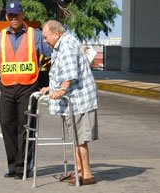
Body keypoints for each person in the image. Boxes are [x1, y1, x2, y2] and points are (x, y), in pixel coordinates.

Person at [0, 0, 52, 180]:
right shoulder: (0, 37)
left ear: (22, 15)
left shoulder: (35, 35)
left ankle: (23, 167)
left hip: (28, 88)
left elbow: (51, 53)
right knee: (7, 126)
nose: (14, 18)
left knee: (25, 128)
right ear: (7, 17)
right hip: (7, 89)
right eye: (10, 15)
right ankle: (13, 166)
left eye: (17, 15)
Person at [40, 20, 98, 186]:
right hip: (73, 101)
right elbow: (61, 72)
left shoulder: (66, 45)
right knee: (75, 138)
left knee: (80, 138)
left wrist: (61, 90)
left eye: (46, 37)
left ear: (56, 33)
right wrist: (50, 88)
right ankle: (79, 170)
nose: (45, 40)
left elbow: (70, 73)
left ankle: (86, 174)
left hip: (79, 100)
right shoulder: (62, 44)